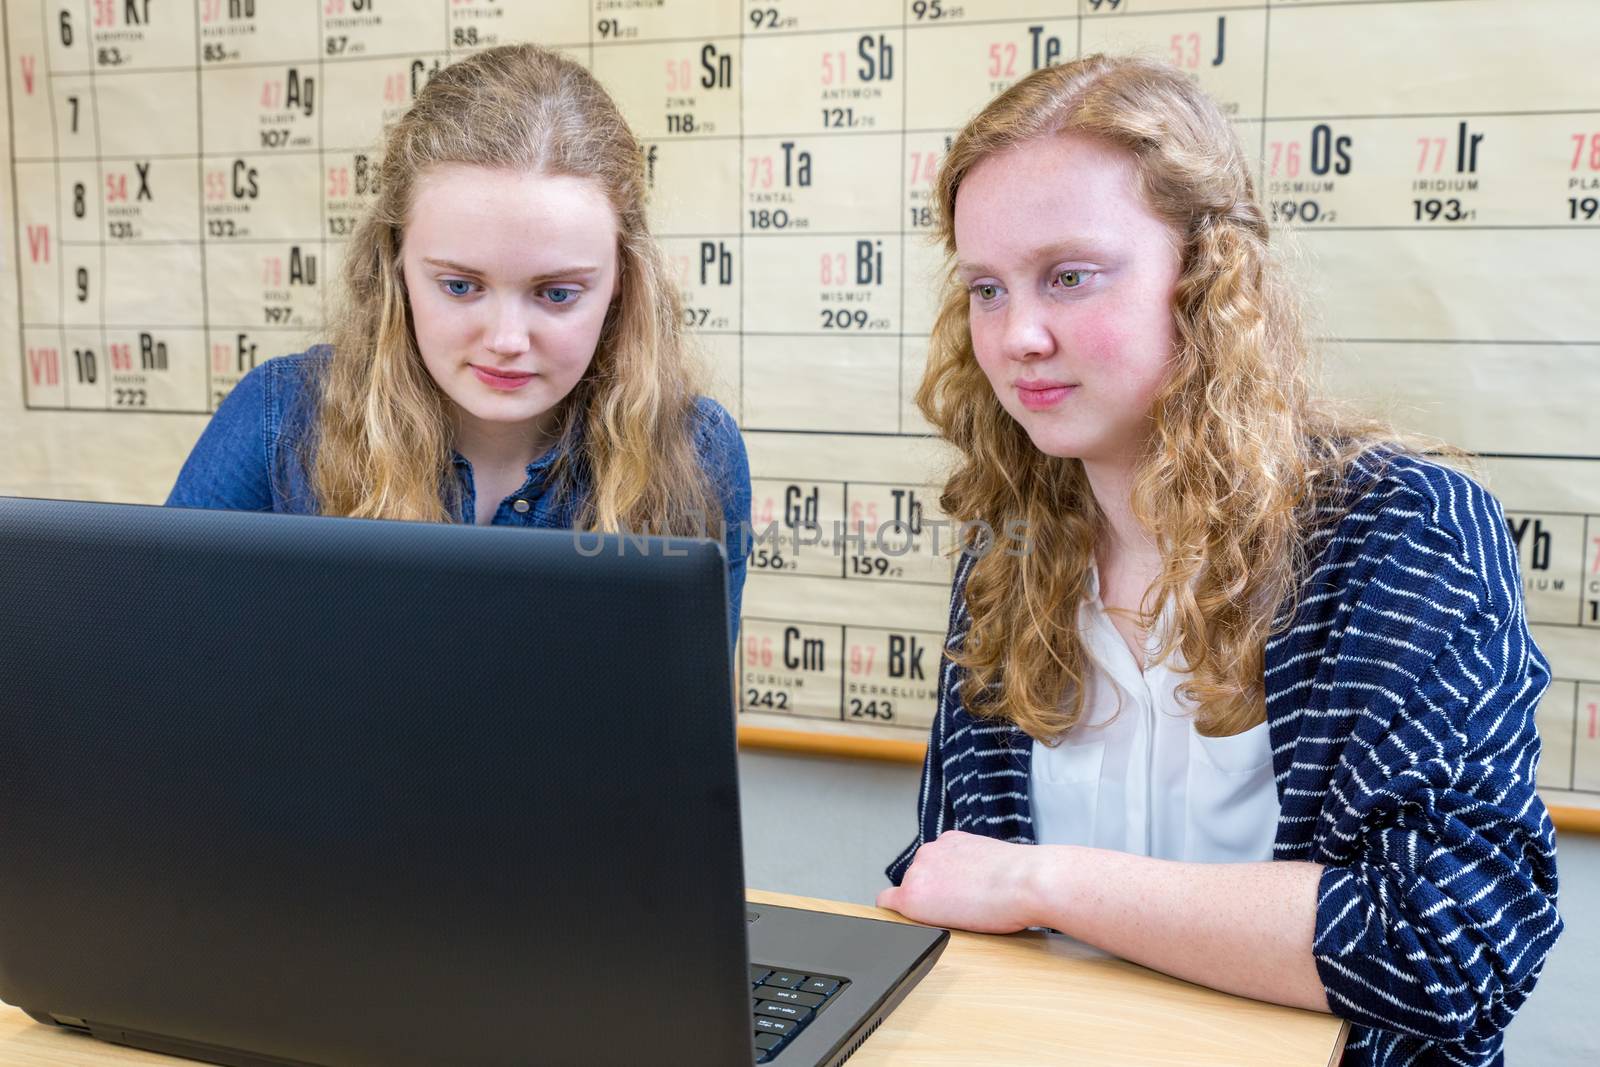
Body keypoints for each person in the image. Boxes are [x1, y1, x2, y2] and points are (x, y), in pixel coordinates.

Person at [876, 54, 1560, 1066]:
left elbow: (1446, 941)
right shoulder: (1009, 541)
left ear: (1204, 279)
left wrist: (1042, 881)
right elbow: (948, 875)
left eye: (1069, 275)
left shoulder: (1403, 529)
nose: (1016, 334)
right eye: (986, 288)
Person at [167, 44, 751, 638]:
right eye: (460, 285)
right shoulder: (278, 418)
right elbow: (158, 658)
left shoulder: (697, 451)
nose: (506, 340)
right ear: (395, 266)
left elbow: (686, 721)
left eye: (556, 294)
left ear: (622, 283)